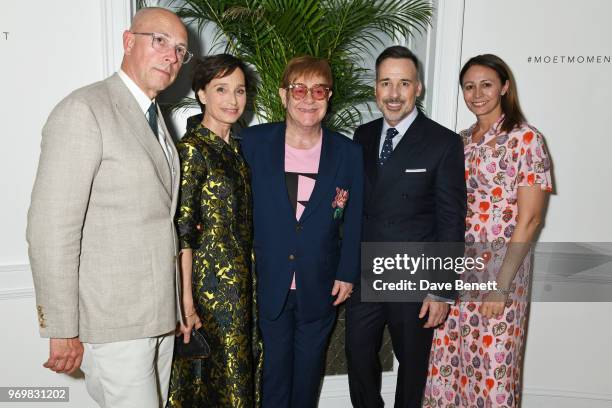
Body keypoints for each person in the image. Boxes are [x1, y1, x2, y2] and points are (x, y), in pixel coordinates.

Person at [26, 7, 190, 407]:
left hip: (158, 317)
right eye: (160, 41)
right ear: (128, 41)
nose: (171, 55)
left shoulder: (155, 118)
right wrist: (62, 327)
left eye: (181, 50)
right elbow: (50, 228)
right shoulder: (85, 110)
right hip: (115, 317)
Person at [423, 54, 552, 408]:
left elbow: (530, 219)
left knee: (494, 371)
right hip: (457, 271)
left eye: (486, 84)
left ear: (504, 87)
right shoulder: (459, 141)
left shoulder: (526, 139)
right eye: (469, 86)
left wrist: (501, 285)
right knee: (450, 366)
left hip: (500, 270)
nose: (477, 93)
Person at [345, 45, 467, 408]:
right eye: (386, 83)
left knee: (412, 366)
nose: (394, 93)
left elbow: (450, 218)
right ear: (375, 89)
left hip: (413, 274)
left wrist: (442, 289)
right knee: (357, 353)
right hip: (366, 268)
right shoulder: (362, 136)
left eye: (403, 83)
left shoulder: (443, 142)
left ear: (418, 89)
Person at [240, 55, 363, 408]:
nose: (309, 98)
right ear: (283, 96)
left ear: (329, 97)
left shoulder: (348, 153)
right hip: (269, 282)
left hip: (320, 284)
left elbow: (354, 218)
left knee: (308, 377)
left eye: (319, 90)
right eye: (299, 89)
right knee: (274, 376)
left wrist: (347, 272)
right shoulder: (252, 143)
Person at [166, 54, 263, 407]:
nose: (233, 100)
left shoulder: (237, 148)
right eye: (222, 89)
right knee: (213, 382)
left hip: (241, 286)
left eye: (239, 91)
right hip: (208, 292)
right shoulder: (192, 150)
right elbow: (183, 231)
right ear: (202, 94)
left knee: (237, 376)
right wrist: (186, 303)